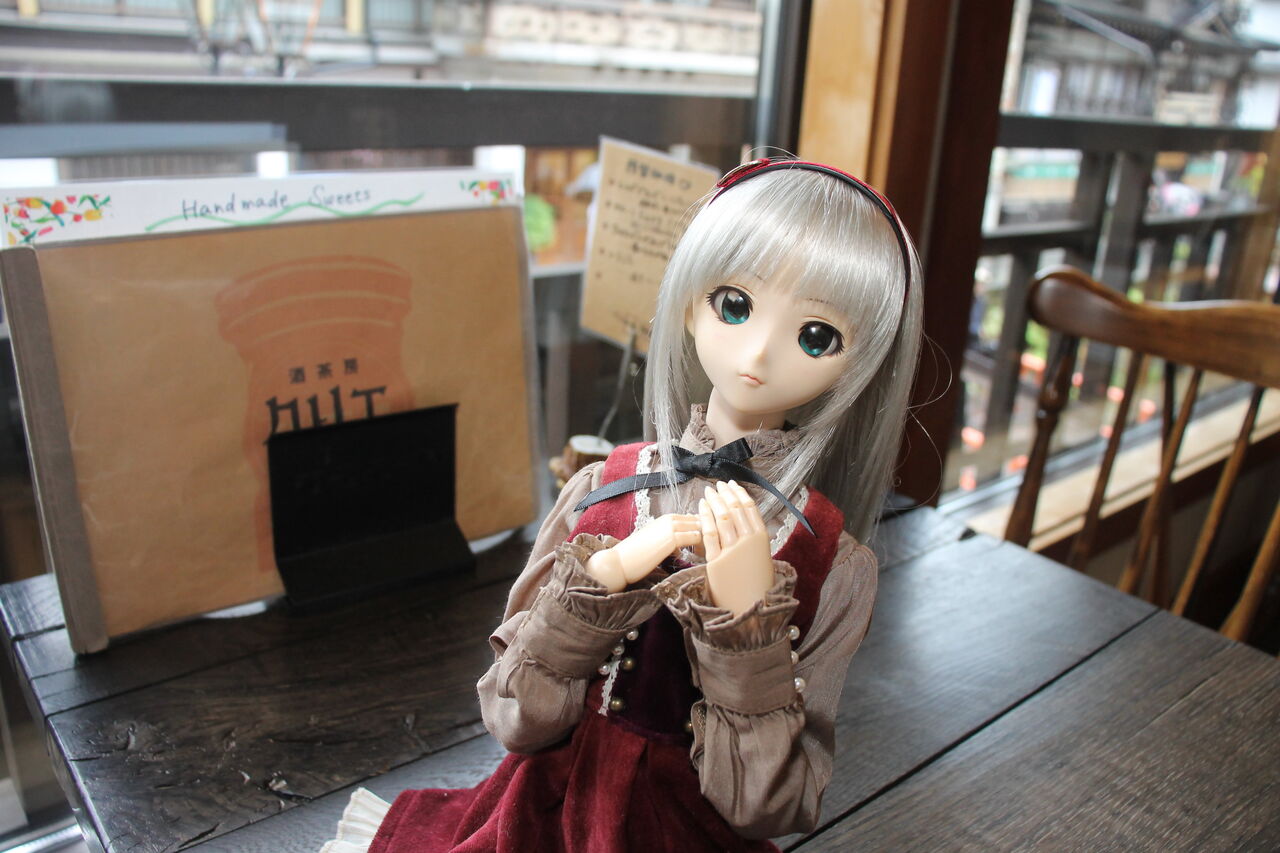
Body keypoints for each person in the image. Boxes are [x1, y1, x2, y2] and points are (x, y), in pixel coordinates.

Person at [321, 158, 923, 853]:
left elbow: (768, 806)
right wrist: (600, 581)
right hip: (544, 813)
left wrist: (747, 628)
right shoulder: (601, 488)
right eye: (735, 304)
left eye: (817, 336)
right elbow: (517, 720)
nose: (758, 351)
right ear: (691, 302)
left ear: (860, 362)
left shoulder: (830, 562)